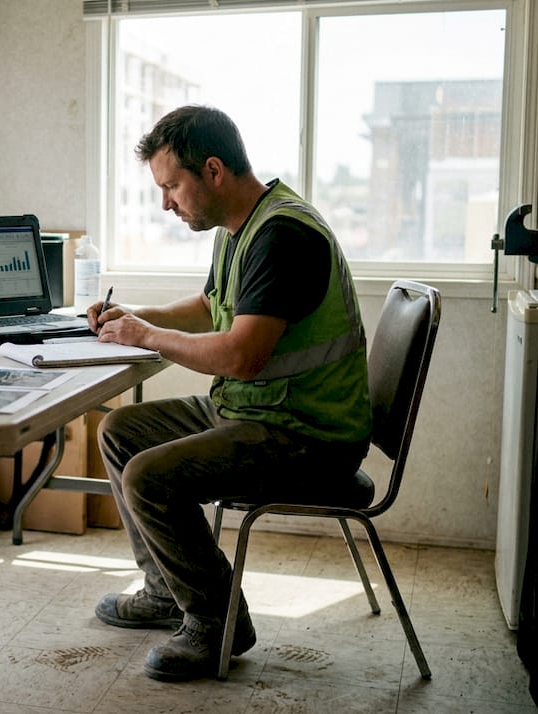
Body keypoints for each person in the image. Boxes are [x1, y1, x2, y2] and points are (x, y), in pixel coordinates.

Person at [83, 105, 372, 682]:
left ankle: (218, 620)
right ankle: (168, 593)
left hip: (307, 433)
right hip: (259, 410)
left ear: (213, 171)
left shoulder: (283, 235)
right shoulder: (242, 225)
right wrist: (135, 317)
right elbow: (209, 308)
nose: (165, 202)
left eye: (171, 186)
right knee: (119, 432)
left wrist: (147, 337)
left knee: (150, 475)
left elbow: (243, 353)